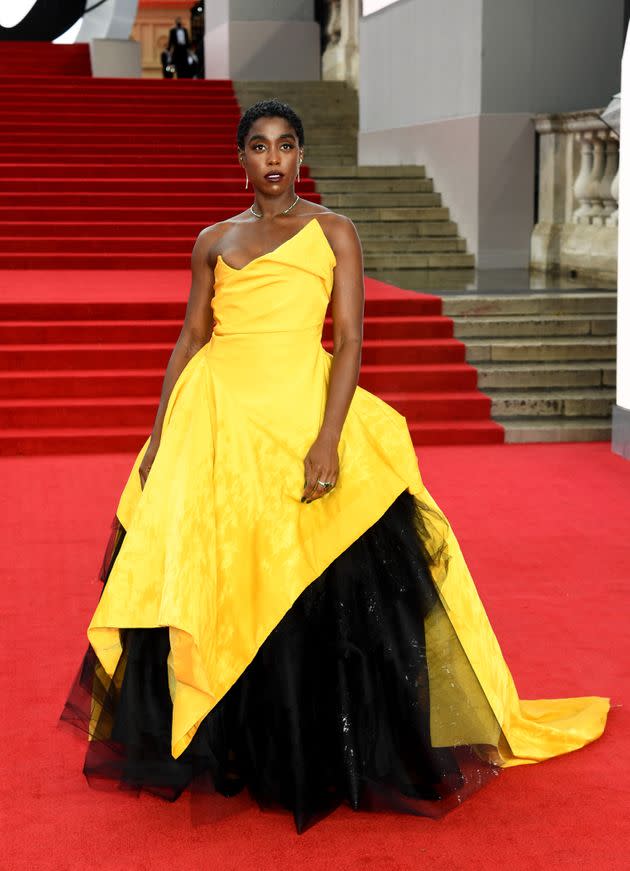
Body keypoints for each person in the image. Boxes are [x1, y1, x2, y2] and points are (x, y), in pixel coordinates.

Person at [61, 100, 610, 834]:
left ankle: (312, 745)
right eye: (259, 147)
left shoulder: (334, 233)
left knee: (308, 577)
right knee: (219, 573)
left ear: (300, 153)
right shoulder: (212, 241)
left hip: (297, 417)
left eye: (286, 145)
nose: (274, 159)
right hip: (219, 426)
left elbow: (349, 340)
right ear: (242, 160)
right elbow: (190, 340)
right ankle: (227, 745)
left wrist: (328, 437)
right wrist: (161, 436)